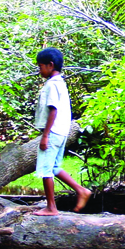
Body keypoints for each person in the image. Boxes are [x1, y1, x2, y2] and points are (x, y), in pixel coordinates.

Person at [33, 47, 91, 216]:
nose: (39, 70)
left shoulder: (52, 85)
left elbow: (53, 110)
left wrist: (45, 135)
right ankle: (81, 190)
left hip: (53, 132)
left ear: (50, 65)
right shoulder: (60, 83)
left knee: (46, 169)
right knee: (55, 167)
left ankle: (51, 207)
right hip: (62, 130)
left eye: (40, 66)